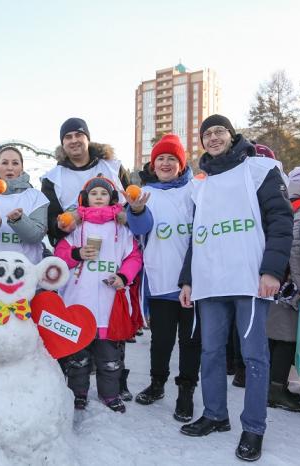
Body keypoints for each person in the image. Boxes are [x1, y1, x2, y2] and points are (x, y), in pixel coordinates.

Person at [177, 114, 293, 462]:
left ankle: (253, 427)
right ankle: (215, 414)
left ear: (231, 135)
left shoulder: (258, 169)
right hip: (211, 280)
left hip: (249, 278)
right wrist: (188, 278)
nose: (213, 138)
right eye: (206, 134)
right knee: (211, 352)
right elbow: (196, 235)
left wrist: (273, 270)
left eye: (219, 131)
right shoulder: (199, 183)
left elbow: (281, 220)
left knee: (254, 355)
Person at [126, 134, 202, 423]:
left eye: (172, 158)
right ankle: (157, 383)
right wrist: (136, 209)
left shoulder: (195, 190)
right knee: (161, 340)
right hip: (159, 279)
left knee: (191, 341)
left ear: (181, 164)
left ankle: (186, 391)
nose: (166, 163)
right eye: (161, 158)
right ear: (153, 163)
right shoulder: (145, 193)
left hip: (193, 281)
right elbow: (140, 228)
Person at [54, 176, 142, 413]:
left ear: (112, 198)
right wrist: (77, 253)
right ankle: (77, 393)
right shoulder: (76, 227)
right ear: (85, 198)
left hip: (108, 300)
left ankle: (110, 394)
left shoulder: (121, 229)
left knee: (109, 355)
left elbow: (134, 256)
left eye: (104, 193)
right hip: (78, 300)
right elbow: (60, 254)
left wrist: (123, 277)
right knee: (77, 354)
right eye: (94, 194)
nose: (99, 197)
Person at [265, 165, 300, 413]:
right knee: (287, 339)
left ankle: (274, 386)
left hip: (272, 280)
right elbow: (296, 250)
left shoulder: (279, 203)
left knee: (276, 337)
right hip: (288, 285)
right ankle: (276, 390)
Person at [42, 117, 130, 246]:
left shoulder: (113, 167)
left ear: (87, 138)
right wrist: (59, 226)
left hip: (115, 247)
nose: (74, 140)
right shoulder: (52, 178)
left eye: (79, 135)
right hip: (74, 250)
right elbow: (50, 221)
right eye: (68, 137)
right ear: (63, 143)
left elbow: (130, 205)